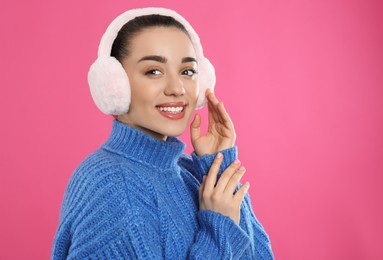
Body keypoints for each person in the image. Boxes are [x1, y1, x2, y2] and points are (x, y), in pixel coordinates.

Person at [52, 7, 274, 259]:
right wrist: (218, 229)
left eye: (187, 71)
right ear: (115, 83)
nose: (177, 88)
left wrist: (218, 167)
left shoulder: (187, 171)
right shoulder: (111, 187)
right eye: (154, 71)